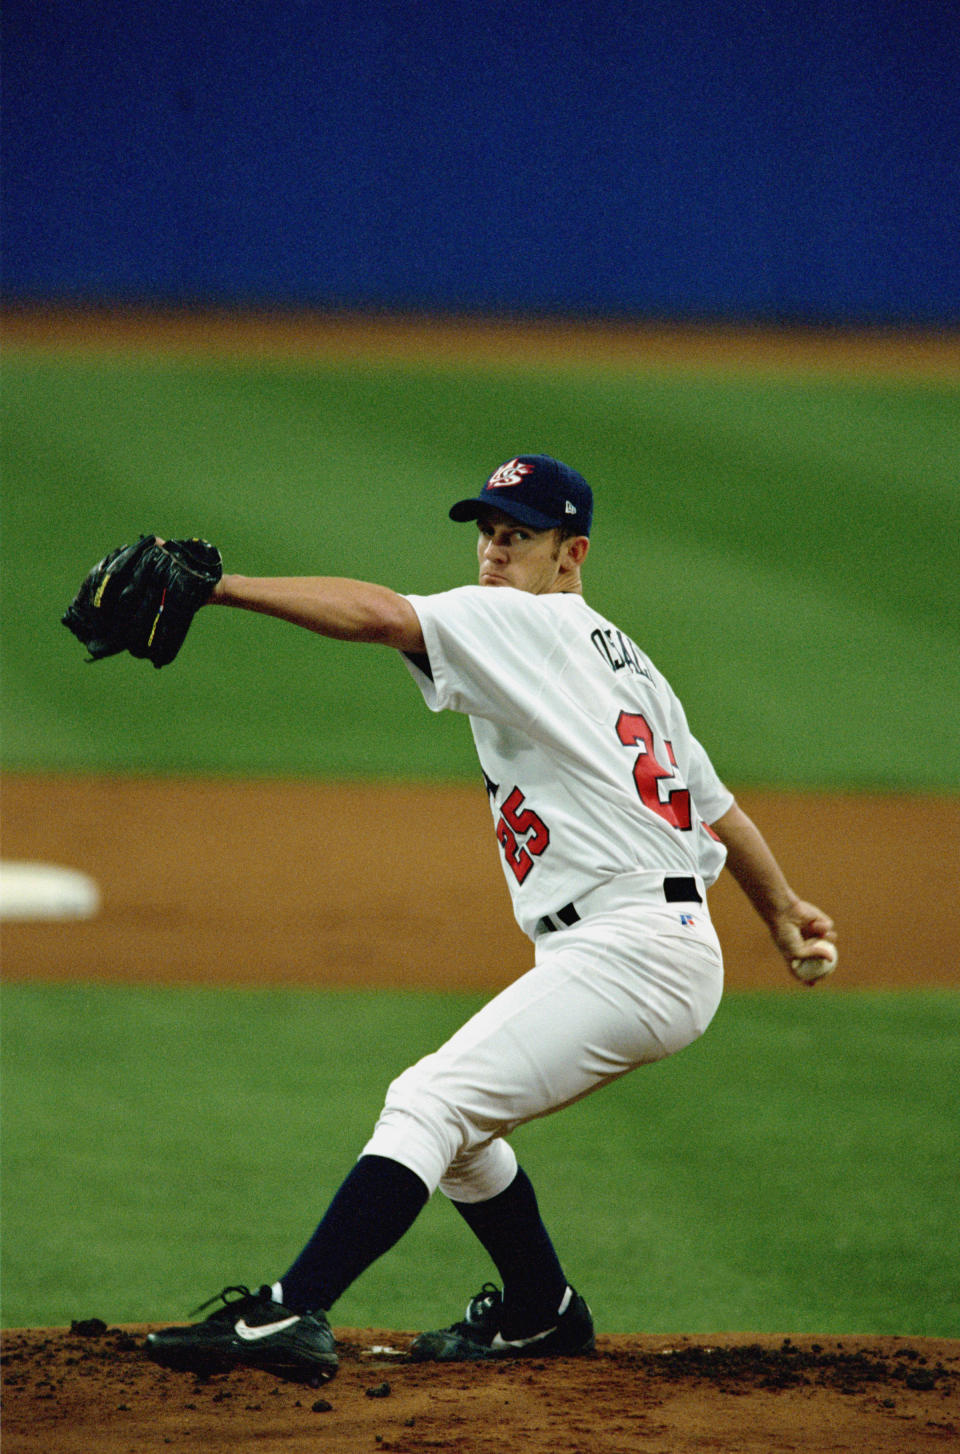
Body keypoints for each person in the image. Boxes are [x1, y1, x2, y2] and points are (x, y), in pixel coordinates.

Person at [145, 454, 836, 1383]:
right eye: (487, 530)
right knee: (465, 1135)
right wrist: (783, 908)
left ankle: (289, 1311)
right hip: (651, 944)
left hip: (630, 949)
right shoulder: (624, 656)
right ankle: (540, 1310)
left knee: (426, 1102)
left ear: (571, 553)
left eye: (519, 535)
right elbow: (719, 809)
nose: (494, 550)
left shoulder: (525, 621)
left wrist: (218, 587)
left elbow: (384, 615)